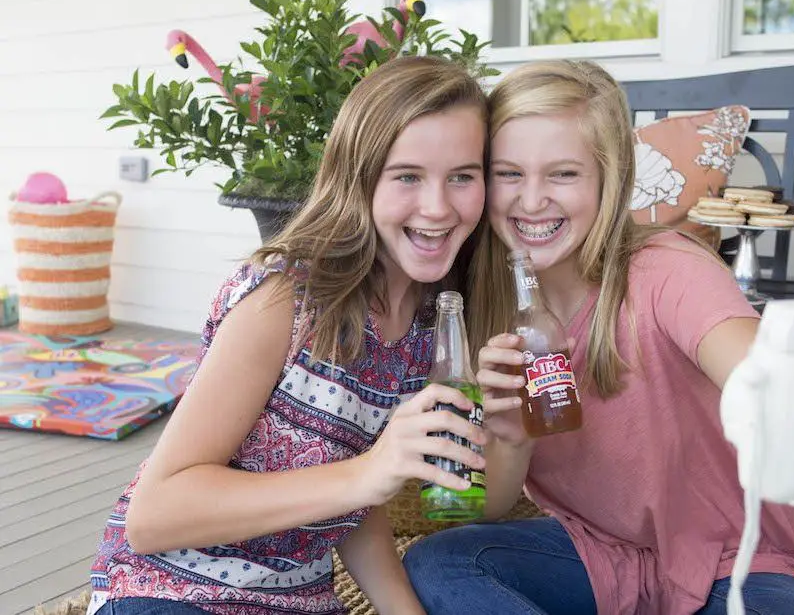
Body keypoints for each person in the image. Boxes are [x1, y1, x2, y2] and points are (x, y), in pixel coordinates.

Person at [402, 60, 794, 615]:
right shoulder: (486, 305)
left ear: (611, 178)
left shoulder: (666, 267)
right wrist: (513, 438)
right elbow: (492, 505)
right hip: (603, 556)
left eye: (564, 173)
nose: (531, 200)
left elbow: (754, 366)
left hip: (741, 561)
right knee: (438, 563)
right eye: (508, 173)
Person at [85, 55, 520, 615]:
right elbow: (154, 517)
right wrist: (369, 473)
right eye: (407, 175)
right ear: (357, 178)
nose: (437, 207)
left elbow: (353, 498)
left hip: (297, 601)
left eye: (462, 176)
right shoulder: (281, 300)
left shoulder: (428, 321)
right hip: (171, 590)